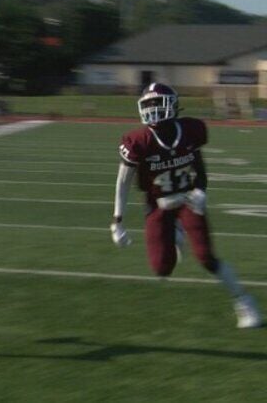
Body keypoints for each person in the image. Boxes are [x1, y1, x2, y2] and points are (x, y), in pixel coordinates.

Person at [110, 82, 262, 329]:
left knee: (206, 258)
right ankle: (176, 232)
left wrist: (201, 191)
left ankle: (244, 301)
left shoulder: (190, 130)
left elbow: (200, 170)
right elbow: (123, 182)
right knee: (162, 269)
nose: (152, 111)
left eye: (157, 104)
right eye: (148, 105)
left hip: (187, 200)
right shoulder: (139, 140)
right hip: (158, 205)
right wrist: (117, 220)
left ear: (172, 105)